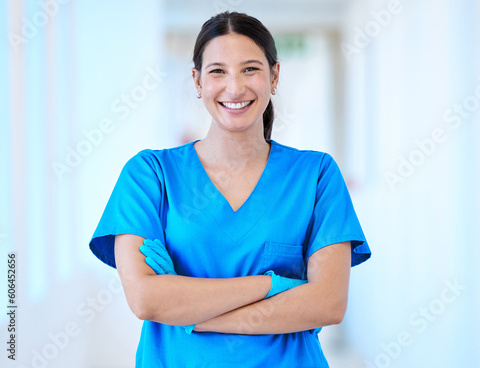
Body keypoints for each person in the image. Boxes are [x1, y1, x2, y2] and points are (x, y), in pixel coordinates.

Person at [89, 11, 371, 368]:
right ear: (197, 81)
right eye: (218, 71)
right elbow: (146, 300)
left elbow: (328, 303)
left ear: (274, 76)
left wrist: (192, 309)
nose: (234, 88)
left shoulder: (315, 175)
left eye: (250, 69)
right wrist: (273, 286)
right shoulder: (150, 175)